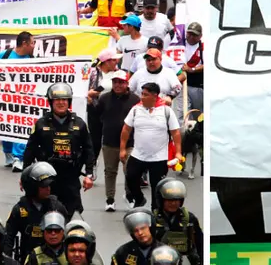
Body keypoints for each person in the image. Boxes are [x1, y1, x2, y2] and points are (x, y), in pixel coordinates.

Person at [21, 84, 95, 216]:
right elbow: (30, 150)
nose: (61, 103)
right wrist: (24, 175)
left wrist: (89, 175)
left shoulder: (80, 124)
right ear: (51, 102)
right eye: (57, 100)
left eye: (64, 99)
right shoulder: (41, 124)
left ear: (69, 102)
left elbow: (88, 150)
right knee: (44, 215)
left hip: (71, 178)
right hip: (46, 178)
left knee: (71, 215)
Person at [121, 82, 183, 208]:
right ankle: (139, 199)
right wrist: (122, 149)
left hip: (159, 157)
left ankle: (156, 211)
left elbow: (175, 132)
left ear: (155, 96)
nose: (142, 97)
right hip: (138, 154)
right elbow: (126, 129)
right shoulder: (135, 110)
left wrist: (178, 152)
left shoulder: (166, 111)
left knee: (157, 187)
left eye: (145, 95)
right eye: (142, 94)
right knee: (130, 177)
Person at [5, 163, 68, 264]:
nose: (48, 188)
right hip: (29, 259)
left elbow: (68, 233)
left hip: (54, 258)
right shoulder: (20, 209)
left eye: (49, 185)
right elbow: (8, 238)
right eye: (44, 186)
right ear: (32, 187)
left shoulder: (57, 207)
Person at [94, 70, 139, 212]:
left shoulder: (135, 100)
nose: (117, 85)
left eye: (121, 82)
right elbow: (96, 115)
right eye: (115, 82)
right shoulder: (104, 98)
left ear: (127, 83)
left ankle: (129, 195)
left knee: (130, 171)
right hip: (109, 142)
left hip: (130, 143)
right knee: (110, 172)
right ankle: (110, 199)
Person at [0, 30, 33, 169]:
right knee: (6, 128)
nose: (34, 46)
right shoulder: (4, 56)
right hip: (4, 99)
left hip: (23, 100)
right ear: (24, 43)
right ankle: (8, 154)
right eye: (32, 43)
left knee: (20, 127)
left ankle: (19, 158)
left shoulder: (32, 59)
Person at [152, 179, 202, 264]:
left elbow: (200, 243)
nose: (173, 203)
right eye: (169, 200)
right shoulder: (152, 219)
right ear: (161, 200)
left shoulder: (190, 218)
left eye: (177, 200)